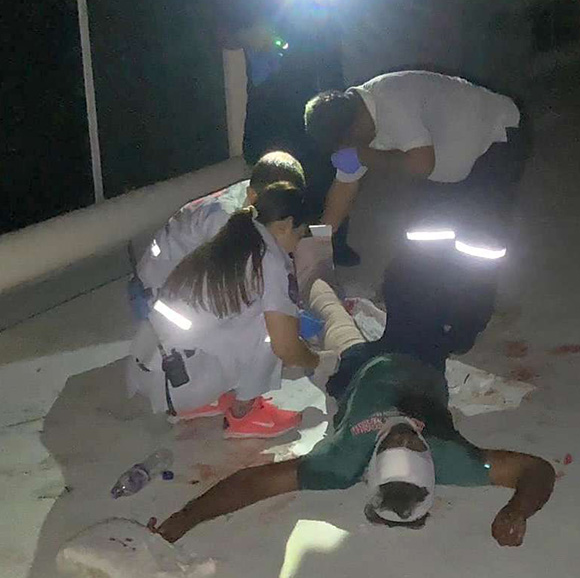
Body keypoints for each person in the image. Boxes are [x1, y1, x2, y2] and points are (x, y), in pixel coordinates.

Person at [150, 351, 556, 546]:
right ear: (431, 465)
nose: (403, 433)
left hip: (355, 369)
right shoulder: (452, 459)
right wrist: (517, 509)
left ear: (371, 466)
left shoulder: (341, 463)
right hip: (426, 362)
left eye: (394, 444)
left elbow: (253, 483)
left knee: (337, 322)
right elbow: (535, 469)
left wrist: (186, 517)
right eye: (414, 446)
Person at [304, 71, 530, 354]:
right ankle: (432, 309)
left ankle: (467, 323)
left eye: (349, 143)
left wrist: (364, 155)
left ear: (357, 123)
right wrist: (316, 245)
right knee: (426, 238)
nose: (350, 150)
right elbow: (343, 192)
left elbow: (421, 164)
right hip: (448, 161)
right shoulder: (354, 124)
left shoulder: (392, 100)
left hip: (496, 140)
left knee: (477, 246)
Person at [126, 182, 320, 438]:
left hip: (152, 365)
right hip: (177, 380)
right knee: (270, 327)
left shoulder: (238, 230)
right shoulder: (270, 260)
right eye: (299, 235)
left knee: (253, 314)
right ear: (285, 225)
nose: (296, 245)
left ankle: (203, 399)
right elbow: (286, 348)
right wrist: (318, 361)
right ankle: (245, 413)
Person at [218, 0, 359, 266]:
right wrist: (251, 35)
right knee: (273, 180)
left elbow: (330, 64)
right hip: (268, 111)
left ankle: (330, 246)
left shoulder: (307, 8)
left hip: (310, 105)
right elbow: (224, 35)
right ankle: (274, 250)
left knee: (324, 176)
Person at [131, 151, 306, 304]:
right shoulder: (223, 222)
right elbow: (239, 288)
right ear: (252, 195)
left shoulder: (260, 191)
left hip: (176, 280)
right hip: (154, 293)